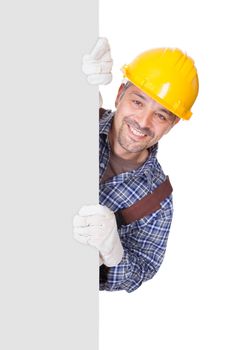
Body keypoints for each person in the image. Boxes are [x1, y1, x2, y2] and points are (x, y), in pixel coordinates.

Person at [73, 38, 199, 293]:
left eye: (161, 115)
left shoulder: (157, 201)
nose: (143, 121)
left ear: (172, 124)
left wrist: (113, 251)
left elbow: (140, 270)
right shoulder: (81, 114)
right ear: (119, 95)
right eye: (137, 102)